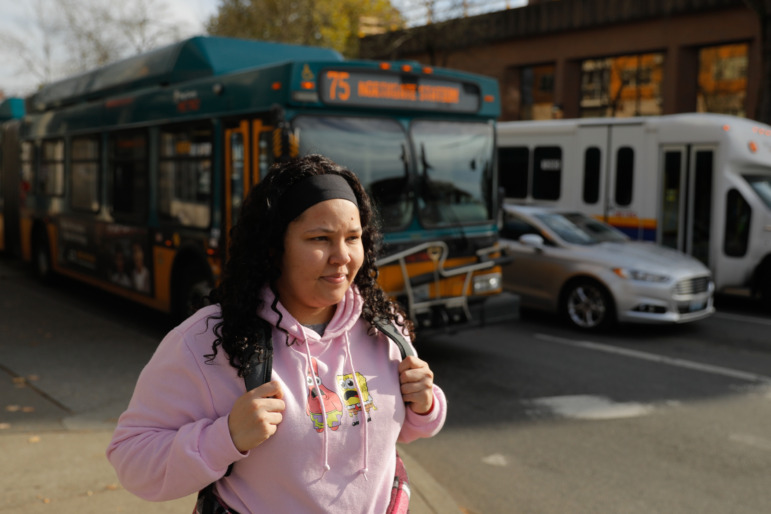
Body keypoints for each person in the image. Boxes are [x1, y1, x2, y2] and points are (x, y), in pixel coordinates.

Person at [106, 154, 447, 513]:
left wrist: (425, 406)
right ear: (273, 248)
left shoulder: (383, 324)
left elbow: (397, 430)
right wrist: (225, 438)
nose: (342, 256)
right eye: (320, 238)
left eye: (353, 237)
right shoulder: (208, 341)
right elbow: (131, 459)